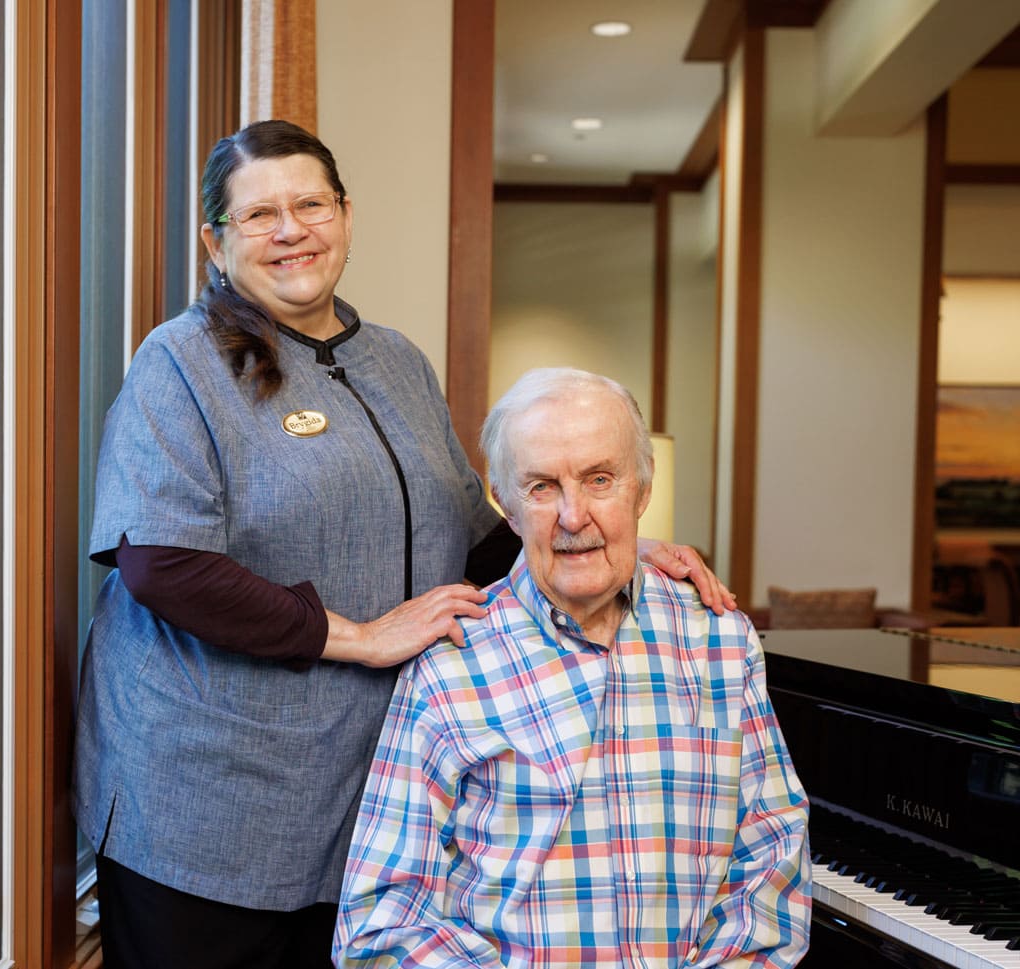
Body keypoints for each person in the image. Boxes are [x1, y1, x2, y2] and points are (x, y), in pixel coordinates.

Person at [72, 121, 734, 969]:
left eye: (311, 204)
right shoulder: (179, 362)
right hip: (204, 806)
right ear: (215, 241)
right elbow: (162, 564)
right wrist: (358, 634)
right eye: (260, 214)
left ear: (345, 216)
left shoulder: (397, 363)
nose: (290, 230)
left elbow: (477, 541)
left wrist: (611, 547)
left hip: (353, 805)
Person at [334, 368, 810, 968]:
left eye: (600, 480)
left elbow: (771, 861)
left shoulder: (719, 639)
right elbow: (382, 922)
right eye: (541, 487)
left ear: (642, 490)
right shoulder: (450, 663)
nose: (573, 515)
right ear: (507, 506)